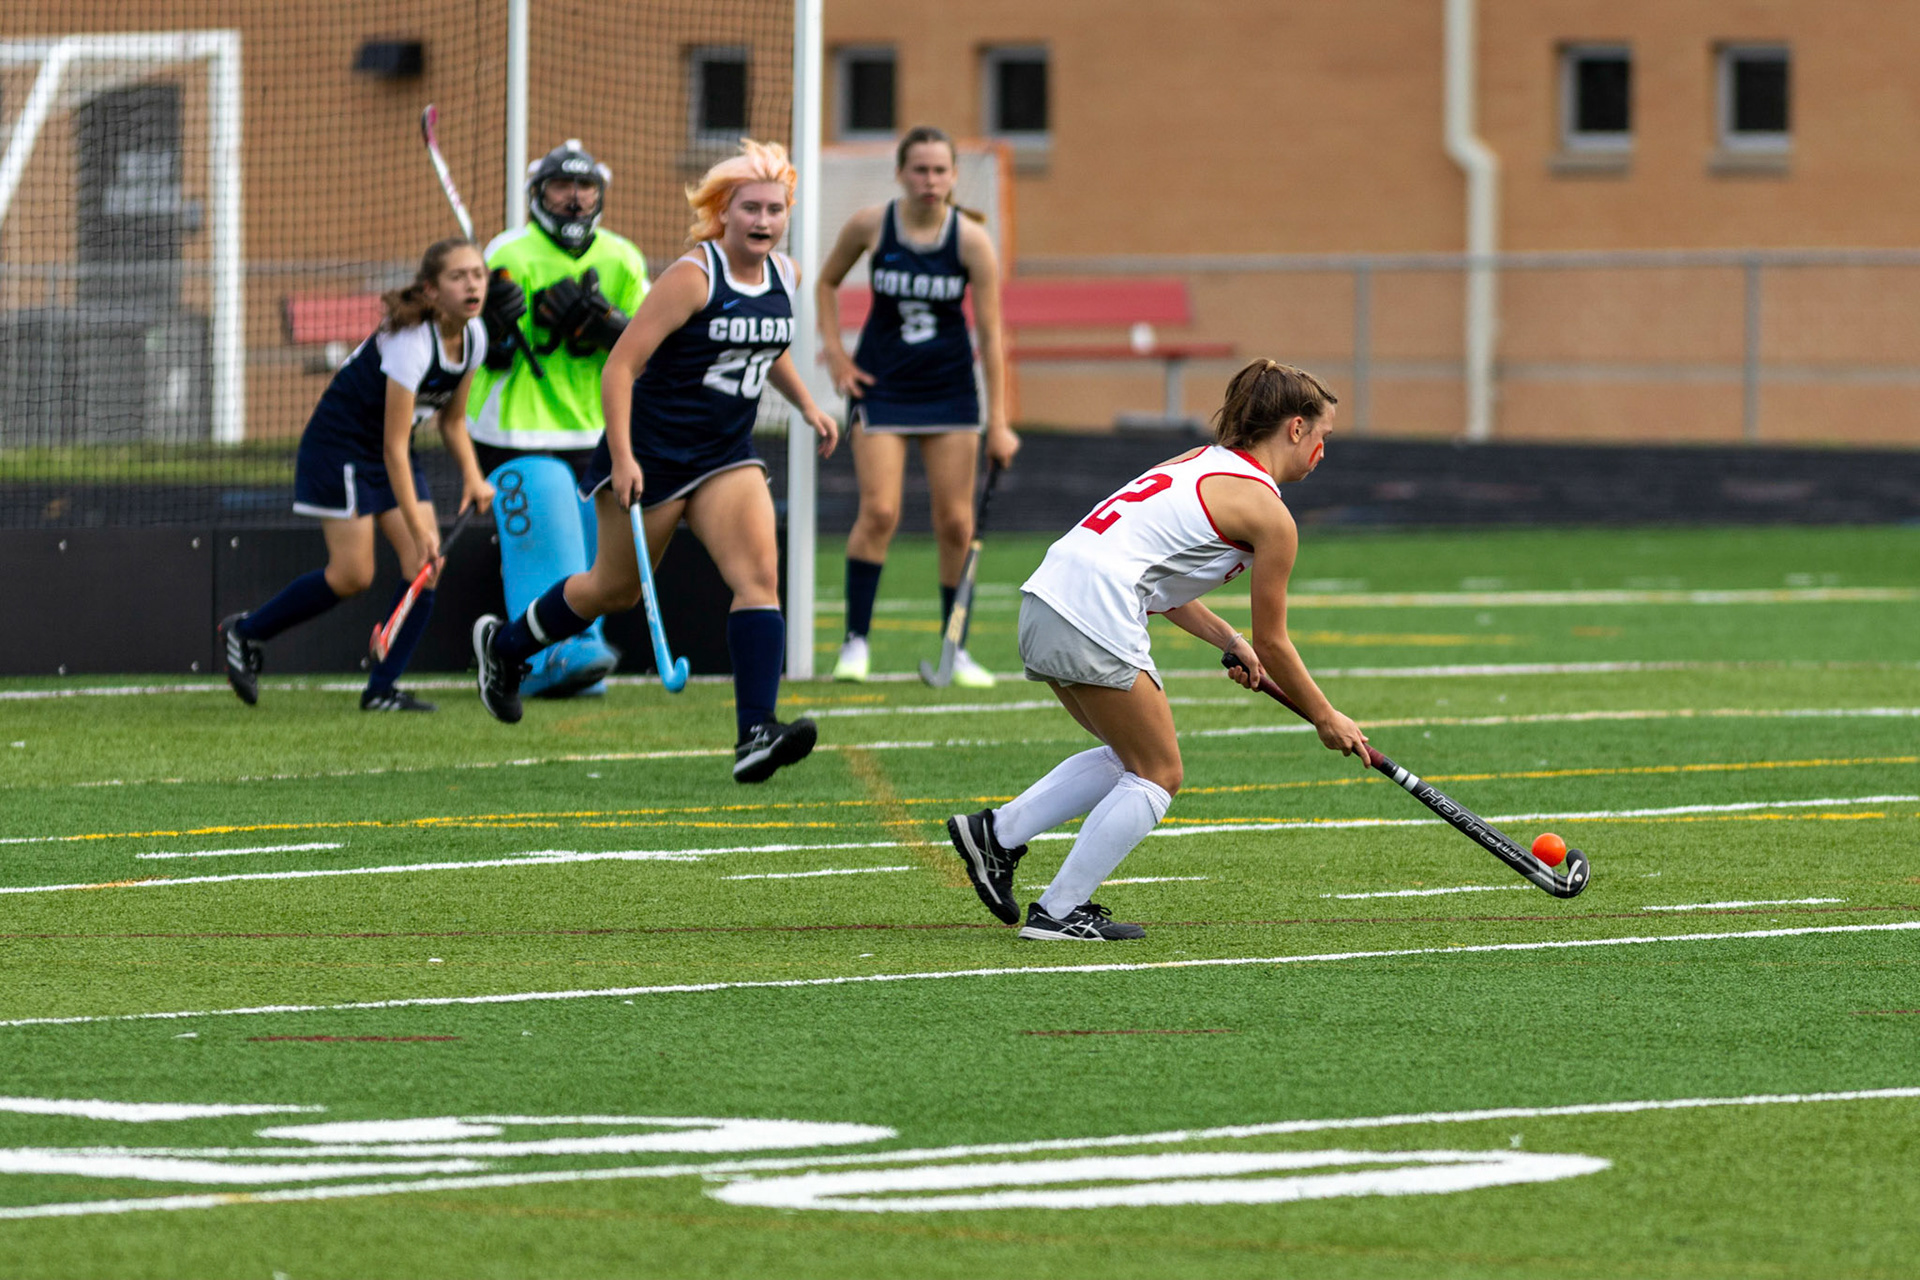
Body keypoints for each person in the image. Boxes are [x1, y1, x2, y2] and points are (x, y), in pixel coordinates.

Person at [944, 360, 1370, 940]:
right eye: (1323, 436)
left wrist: (1229, 640)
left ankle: (996, 835)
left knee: (1131, 756)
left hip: (1045, 598)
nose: (1322, 452)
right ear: (1296, 428)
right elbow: (1275, 639)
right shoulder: (1270, 514)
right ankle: (1060, 910)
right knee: (1159, 772)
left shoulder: (1196, 462)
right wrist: (1326, 716)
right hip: (1093, 609)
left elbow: (1162, 590)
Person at [472, 139, 840, 784]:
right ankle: (504, 648)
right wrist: (622, 457)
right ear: (722, 213)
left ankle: (755, 732)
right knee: (611, 589)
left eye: (774, 209)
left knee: (759, 578)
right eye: (750, 208)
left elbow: (765, 343)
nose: (763, 220)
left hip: (725, 455)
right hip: (652, 453)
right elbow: (621, 366)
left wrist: (808, 404)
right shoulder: (692, 276)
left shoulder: (786, 274)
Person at [218, 238, 495, 711]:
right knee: (352, 575)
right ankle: (245, 632)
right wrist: (419, 529)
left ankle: (381, 690)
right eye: (458, 276)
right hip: (341, 448)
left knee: (424, 570)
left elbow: (451, 421)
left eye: (478, 274)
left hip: (391, 447)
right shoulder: (411, 342)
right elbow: (392, 448)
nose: (472, 285)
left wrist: (473, 475)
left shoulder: (475, 337)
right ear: (431, 290)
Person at [815, 126, 1015, 687]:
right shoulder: (871, 225)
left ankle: (957, 649)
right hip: (881, 388)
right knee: (880, 512)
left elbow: (992, 335)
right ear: (901, 173)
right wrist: (836, 355)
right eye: (920, 169)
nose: (930, 180)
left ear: (954, 176)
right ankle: (855, 642)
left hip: (949, 392)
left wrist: (999, 422)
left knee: (956, 522)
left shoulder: (971, 241)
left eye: (940, 170)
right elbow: (826, 283)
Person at [467, 140, 650, 699]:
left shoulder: (622, 258)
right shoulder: (510, 252)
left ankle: (573, 654)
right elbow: (483, 351)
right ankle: (542, 657)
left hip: (597, 429)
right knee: (547, 538)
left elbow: (650, 350)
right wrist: (496, 329)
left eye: (584, 187)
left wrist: (609, 325)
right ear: (538, 194)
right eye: (561, 187)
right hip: (516, 426)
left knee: (597, 557)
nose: (574, 198)